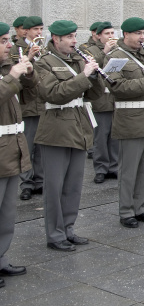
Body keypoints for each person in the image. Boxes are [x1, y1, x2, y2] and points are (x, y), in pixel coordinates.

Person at [35, 20, 104, 251]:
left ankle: (68, 229)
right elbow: (54, 93)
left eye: (75, 36)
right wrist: (83, 75)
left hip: (78, 125)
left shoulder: (77, 59)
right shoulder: (44, 63)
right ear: (56, 38)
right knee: (54, 187)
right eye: (71, 37)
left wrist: (95, 75)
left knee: (73, 185)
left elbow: (93, 95)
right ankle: (55, 235)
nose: (75, 41)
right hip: (56, 129)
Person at [106, 18, 144, 228]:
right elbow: (117, 86)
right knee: (129, 170)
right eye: (138, 33)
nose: (142, 37)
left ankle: (141, 207)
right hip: (130, 121)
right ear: (126, 35)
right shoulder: (115, 57)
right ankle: (126, 211)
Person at [0, 21, 34, 285]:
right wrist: (12, 76)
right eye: (2, 41)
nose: (9, 45)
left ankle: (1, 258)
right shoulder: (7, 72)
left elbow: (31, 92)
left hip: (11, 148)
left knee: (7, 213)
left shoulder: (5, 67)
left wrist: (28, 71)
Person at [83, 21, 119, 184]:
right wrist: (105, 51)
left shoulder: (118, 49)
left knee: (115, 135)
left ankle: (114, 166)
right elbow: (91, 67)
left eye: (112, 33)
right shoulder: (90, 49)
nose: (111, 36)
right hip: (100, 98)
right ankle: (101, 168)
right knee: (100, 136)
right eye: (107, 34)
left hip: (115, 98)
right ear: (98, 36)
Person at [15, 16, 44, 201]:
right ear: (26, 31)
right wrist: (30, 56)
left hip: (42, 103)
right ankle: (26, 183)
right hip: (26, 105)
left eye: (41, 29)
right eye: (35, 30)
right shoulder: (16, 49)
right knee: (27, 146)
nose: (39, 33)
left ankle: (40, 181)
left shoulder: (44, 48)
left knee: (41, 145)